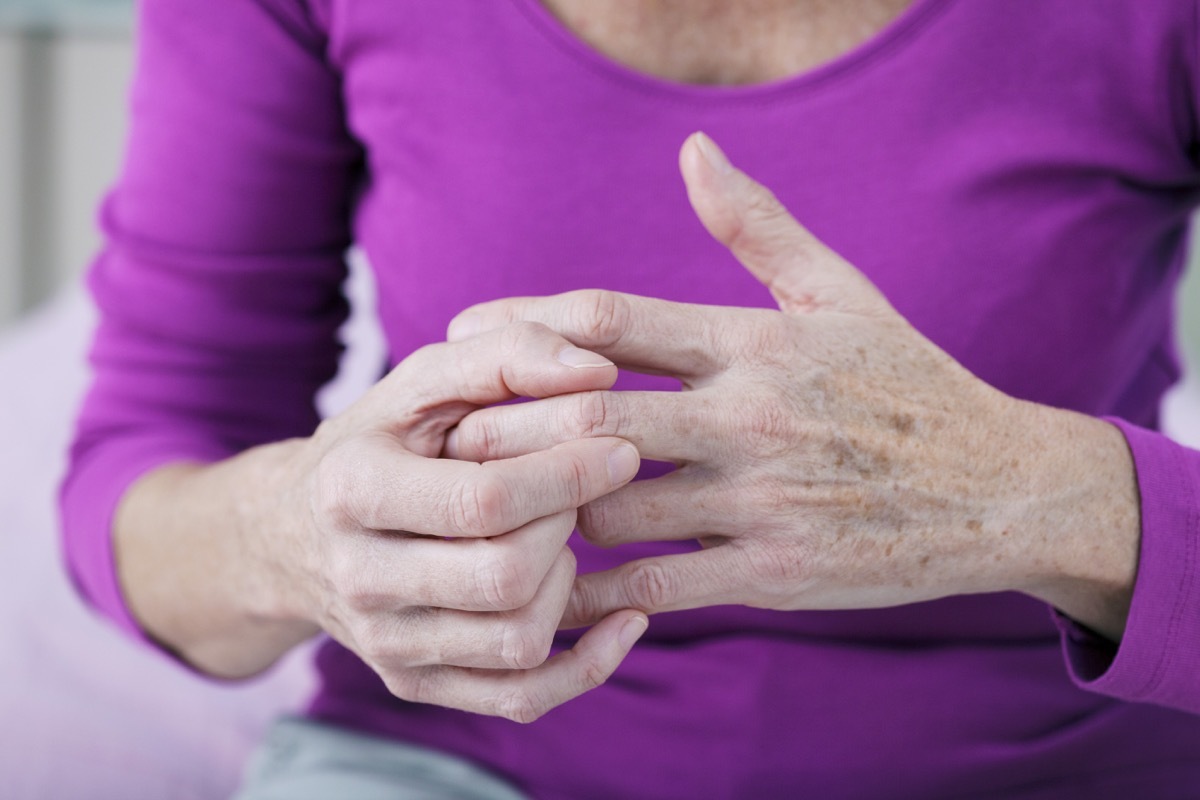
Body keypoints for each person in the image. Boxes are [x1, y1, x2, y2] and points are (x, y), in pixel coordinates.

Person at [61, 0, 1200, 796]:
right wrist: (288, 534)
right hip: (451, 767)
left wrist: (1035, 494)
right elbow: (150, 449)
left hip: (1062, 769)